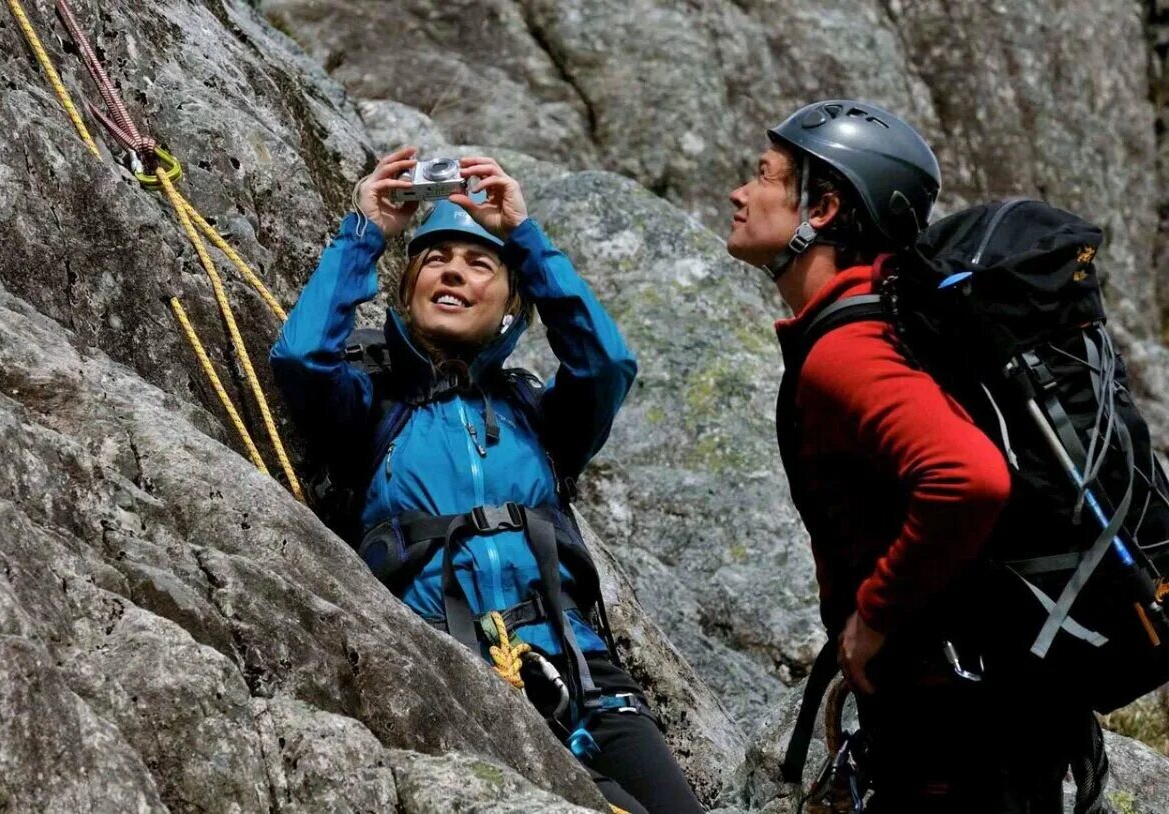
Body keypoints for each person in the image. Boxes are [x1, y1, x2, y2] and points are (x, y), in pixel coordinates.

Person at [271, 146, 702, 814]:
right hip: (456, 679)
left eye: (479, 264)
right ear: (409, 289)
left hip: (584, 674)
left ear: (507, 304)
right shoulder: (374, 411)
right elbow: (300, 358)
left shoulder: (538, 414)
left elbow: (607, 364)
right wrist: (366, 233)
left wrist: (523, 238)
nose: (453, 272)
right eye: (435, 260)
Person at [726, 101, 1111, 812]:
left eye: (763, 176)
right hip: (986, 706)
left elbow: (967, 480)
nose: (739, 193)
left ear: (826, 207)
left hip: (954, 727)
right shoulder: (883, 322)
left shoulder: (846, 349)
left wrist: (872, 617)